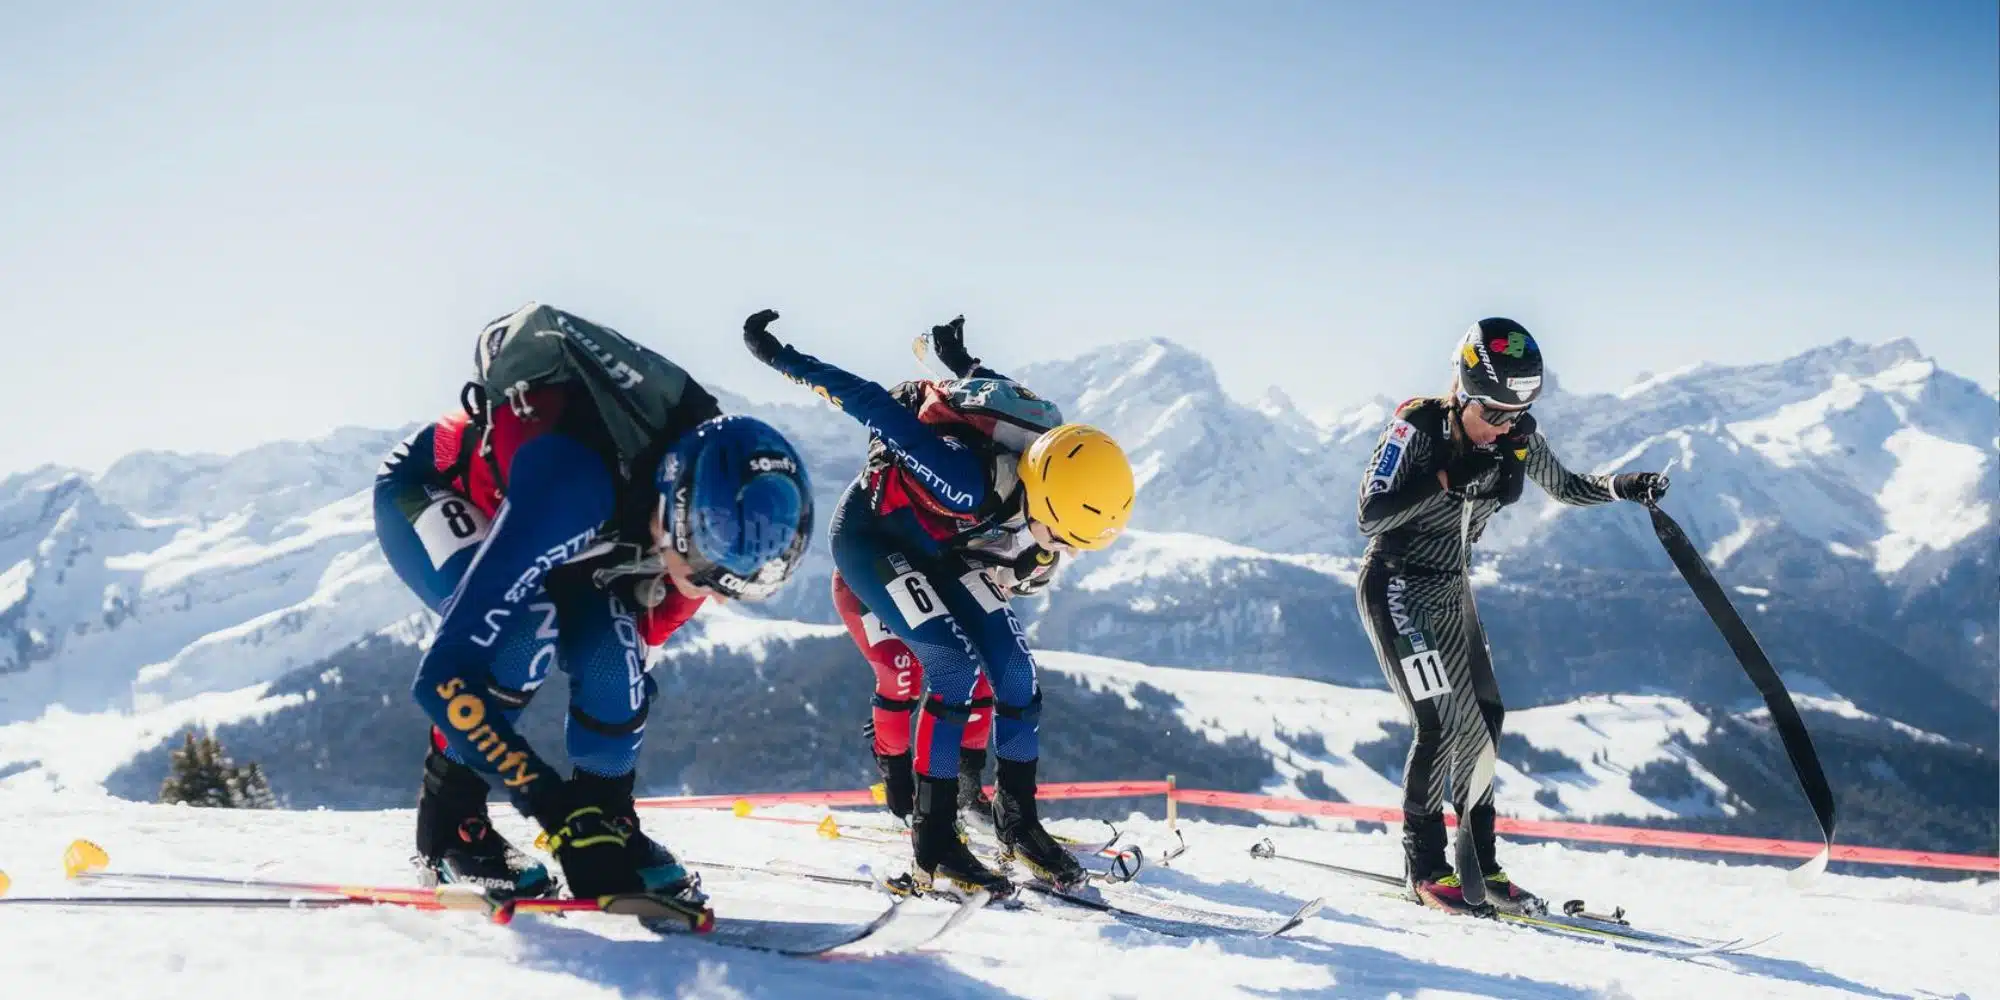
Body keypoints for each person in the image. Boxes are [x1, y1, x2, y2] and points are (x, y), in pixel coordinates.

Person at [372, 301, 812, 905]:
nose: (706, 588)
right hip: (435, 485)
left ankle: (612, 819)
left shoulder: (705, 510)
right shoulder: (570, 489)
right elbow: (443, 678)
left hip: (571, 530)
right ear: (682, 520)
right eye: (706, 571)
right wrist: (551, 807)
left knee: (614, 657)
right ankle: (451, 829)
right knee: (521, 634)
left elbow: (634, 643)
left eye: (726, 581)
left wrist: (594, 822)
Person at [744, 309, 1132, 897]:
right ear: (1045, 500)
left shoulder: (1052, 437)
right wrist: (783, 359)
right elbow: (871, 403)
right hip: (873, 540)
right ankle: (934, 841)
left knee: (1016, 672)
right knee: (952, 666)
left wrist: (957, 359)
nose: (1058, 553)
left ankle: (1017, 820)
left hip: (948, 544)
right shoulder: (962, 479)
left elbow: (993, 390)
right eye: (1060, 536)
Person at [1353, 317, 1669, 917]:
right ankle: (1424, 866)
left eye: (1514, 414)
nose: (1503, 426)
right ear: (1461, 391)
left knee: (1485, 722)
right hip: (1396, 587)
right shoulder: (1416, 425)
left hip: (1451, 591)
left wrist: (1625, 487)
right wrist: (1444, 478)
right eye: (1492, 413)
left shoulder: (1517, 433)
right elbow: (1371, 514)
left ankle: (1482, 865)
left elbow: (1568, 486)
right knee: (1440, 726)